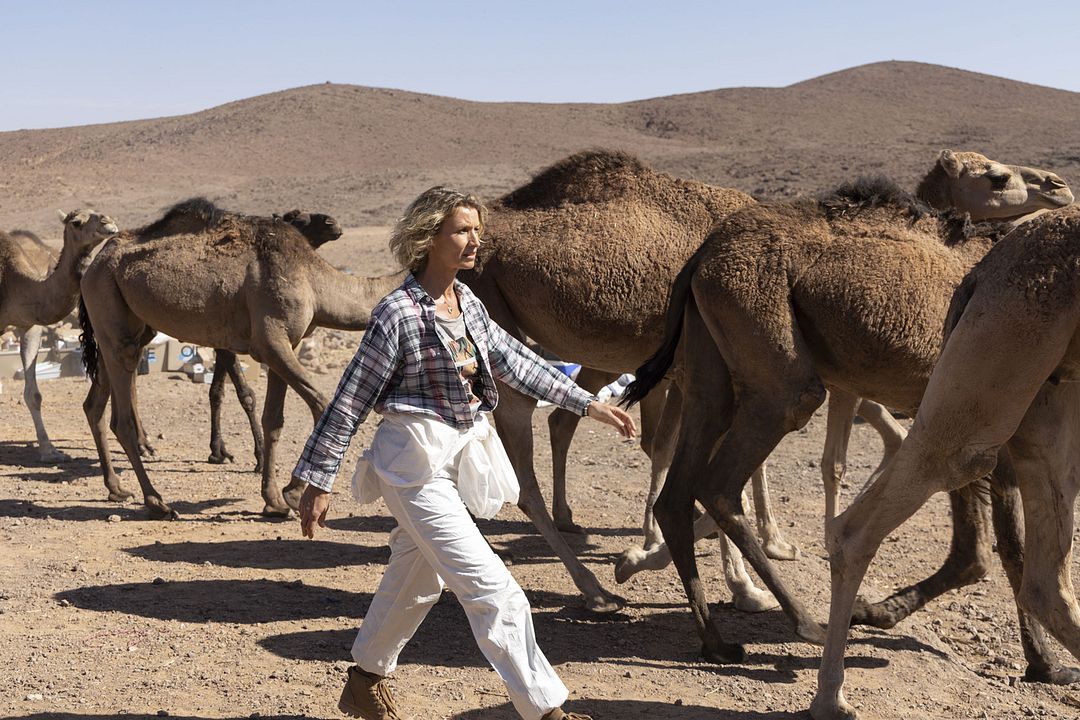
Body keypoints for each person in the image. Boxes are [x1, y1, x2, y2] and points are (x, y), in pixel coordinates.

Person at [292, 186, 637, 720]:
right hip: (413, 465)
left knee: (415, 578)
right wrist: (318, 479)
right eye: (462, 230)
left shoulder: (466, 302)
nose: (476, 240)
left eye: (477, 229)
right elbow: (350, 400)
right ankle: (546, 711)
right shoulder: (398, 315)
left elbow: (516, 361)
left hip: (459, 457)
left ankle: (364, 682)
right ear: (429, 238)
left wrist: (588, 404)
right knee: (494, 589)